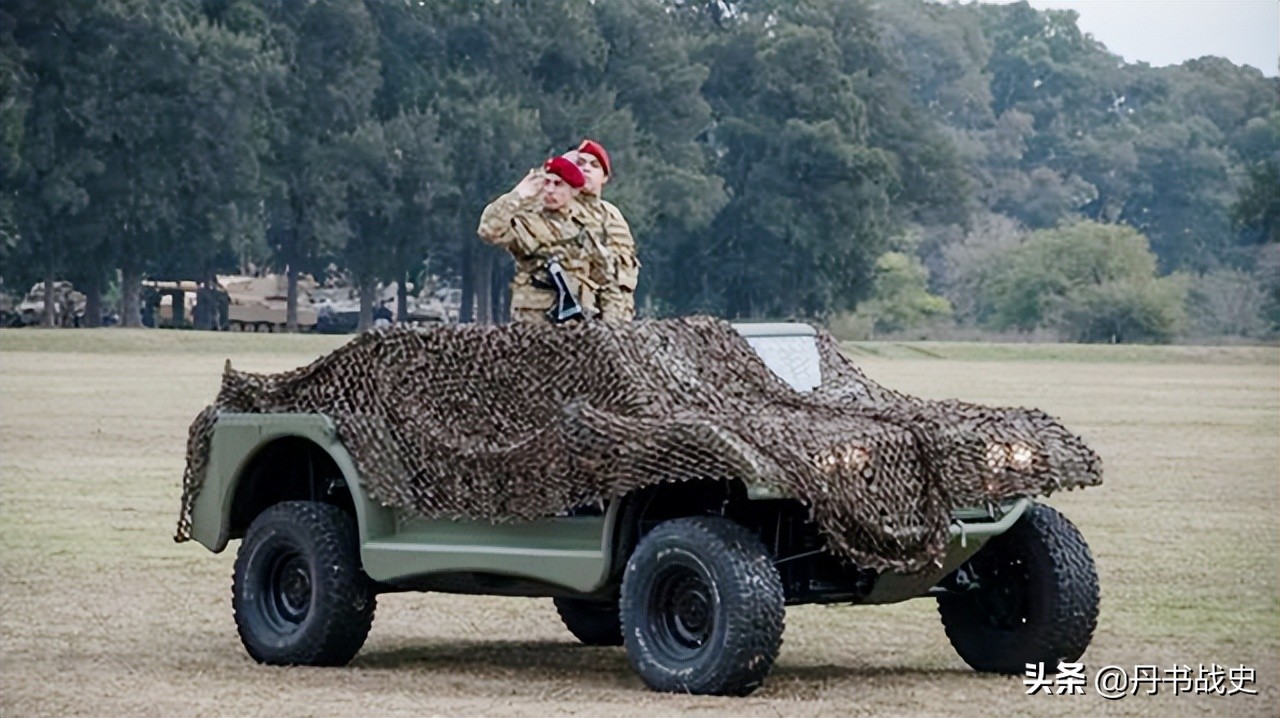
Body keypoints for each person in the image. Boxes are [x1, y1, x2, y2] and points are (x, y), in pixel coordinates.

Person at [477, 156, 604, 324]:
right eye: (546, 183)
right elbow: (488, 230)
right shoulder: (526, 222)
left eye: (558, 184)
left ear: (574, 190)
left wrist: (612, 324)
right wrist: (517, 195)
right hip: (535, 322)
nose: (550, 190)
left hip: (579, 321)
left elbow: (604, 278)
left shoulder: (587, 227)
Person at [569, 139, 640, 324]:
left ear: (604, 177)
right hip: (575, 320)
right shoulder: (562, 211)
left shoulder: (615, 217)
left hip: (618, 321)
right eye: (580, 163)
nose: (586, 169)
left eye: (594, 165)